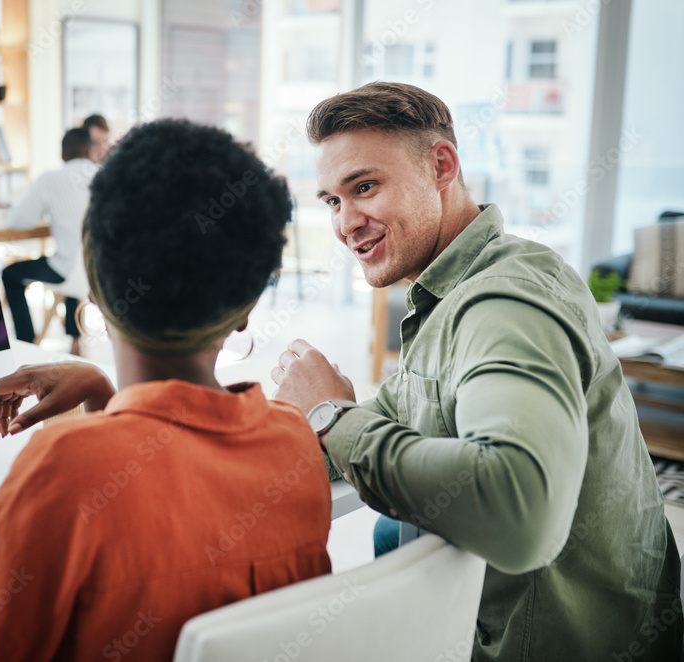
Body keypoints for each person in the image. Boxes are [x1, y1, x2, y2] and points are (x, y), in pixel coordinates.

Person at [270, 82, 680, 661]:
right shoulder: (450, 292)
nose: (346, 223)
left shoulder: (502, 302)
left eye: (364, 187)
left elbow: (520, 512)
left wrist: (330, 416)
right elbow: (390, 416)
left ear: (441, 166)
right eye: (332, 201)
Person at [0, 120, 333, 662]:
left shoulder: (64, 468)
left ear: (95, 284)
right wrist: (102, 394)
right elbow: (174, 494)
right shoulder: (294, 444)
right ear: (248, 306)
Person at [0, 128, 98, 351]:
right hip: (100, 274)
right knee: (75, 255)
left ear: (63, 154)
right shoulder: (105, 175)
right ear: (90, 151)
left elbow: (17, 220)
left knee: (10, 274)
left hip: (68, 272)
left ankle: (27, 342)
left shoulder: (50, 179)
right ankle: (75, 339)